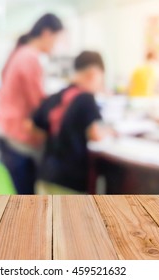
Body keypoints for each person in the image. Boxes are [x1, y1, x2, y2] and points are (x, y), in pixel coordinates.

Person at [0, 13, 64, 194]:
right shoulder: (30, 57)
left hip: (7, 131)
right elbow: (37, 103)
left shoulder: (20, 53)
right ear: (47, 33)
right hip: (18, 138)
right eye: (56, 39)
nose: (56, 45)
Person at [31, 51, 110, 194]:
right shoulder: (86, 99)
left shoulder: (56, 96)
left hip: (45, 176)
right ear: (93, 73)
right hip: (69, 182)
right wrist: (110, 130)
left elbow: (35, 125)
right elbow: (96, 134)